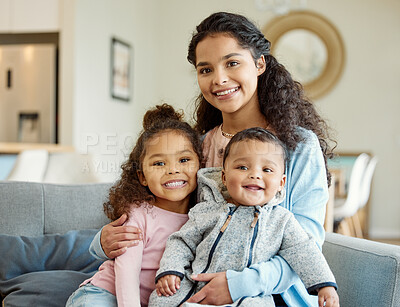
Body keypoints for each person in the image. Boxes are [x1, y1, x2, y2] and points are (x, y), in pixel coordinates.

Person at [90, 11, 336, 306]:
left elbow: (307, 245)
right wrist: (102, 244)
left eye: (232, 63)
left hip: (269, 296)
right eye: (205, 69)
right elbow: (164, 220)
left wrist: (238, 285)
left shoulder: (298, 145)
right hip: (191, 290)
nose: (219, 79)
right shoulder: (198, 147)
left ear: (259, 64)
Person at [149, 128, 339, 307]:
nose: (254, 175)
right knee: (161, 299)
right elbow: (182, 241)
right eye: (242, 167)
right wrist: (170, 270)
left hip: (249, 295)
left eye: (267, 170)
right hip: (197, 285)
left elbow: (305, 251)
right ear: (224, 177)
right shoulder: (207, 210)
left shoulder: (282, 220)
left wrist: (325, 285)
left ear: (281, 182)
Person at [65, 104, 202, 307]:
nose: (173, 170)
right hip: (104, 294)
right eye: (159, 163)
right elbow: (127, 274)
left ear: (201, 163)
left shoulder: (202, 215)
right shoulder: (138, 214)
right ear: (142, 176)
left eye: (184, 160)